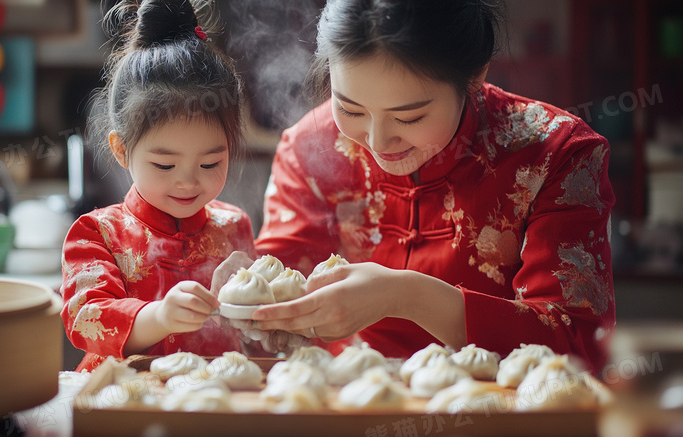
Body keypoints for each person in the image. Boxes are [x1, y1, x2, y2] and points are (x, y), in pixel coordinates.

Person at [246, 0, 616, 373]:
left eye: (410, 116)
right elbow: (276, 284)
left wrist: (407, 296)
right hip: (344, 406)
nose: (378, 141)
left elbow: (580, 347)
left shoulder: (554, 153)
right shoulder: (311, 146)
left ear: (474, 76)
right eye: (351, 110)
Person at [59, 0, 256, 372]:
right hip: (125, 403)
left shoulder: (234, 226)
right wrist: (160, 316)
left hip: (214, 401)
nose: (187, 180)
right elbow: (85, 317)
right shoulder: (97, 233)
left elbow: (249, 330)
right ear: (122, 150)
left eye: (211, 162)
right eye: (164, 164)